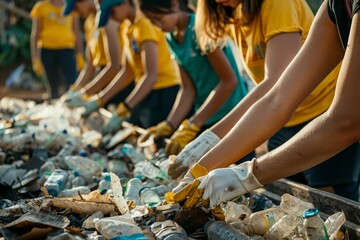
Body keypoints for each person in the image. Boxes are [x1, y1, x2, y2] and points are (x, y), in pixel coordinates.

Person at [166, 0, 360, 203]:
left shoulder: (279, 4)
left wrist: (248, 175)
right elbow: (276, 100)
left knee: (331, 203)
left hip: (321, 115)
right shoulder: (334, 6)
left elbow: (346, 120)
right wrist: (201, 168)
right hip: (288, 123)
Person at [137, 0, 248, 156]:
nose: (158, 26)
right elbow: (187, 89)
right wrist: (170, 124)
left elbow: (229, 82)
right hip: (206, 116)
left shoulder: (199, 27)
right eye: (152, 22)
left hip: (231, 116)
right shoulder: (171, 37)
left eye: (159, 18)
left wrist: (194, 123)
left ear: (174, 4)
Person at [93, 0, 180, 133]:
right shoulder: (127, 27)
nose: (111, 17)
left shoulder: (145, 24)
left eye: (112, 12)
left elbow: (151, 76)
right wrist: (100, 99)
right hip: (144, 91)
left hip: (163, 92)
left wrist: (127, 107)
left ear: (124, 3)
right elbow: (127, 71)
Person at [61, 0, 134, 110]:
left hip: (118, 82)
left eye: (76, 7)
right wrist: (76, 89)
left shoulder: (110, 21)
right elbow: (90, 64)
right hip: (102, 78)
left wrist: (85, 93)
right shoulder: (89, 23)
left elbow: (115, 66)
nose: (76, 12)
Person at [30, 0, 84, 99]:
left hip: (67, 49)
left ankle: (70, 104)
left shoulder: (71, 7)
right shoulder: (41, 7)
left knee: (71, 82)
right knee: (52, 84)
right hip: (47, 49)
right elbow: (35, 34)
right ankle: (54, 107)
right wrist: (35, 58)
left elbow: (77, 32)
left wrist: (79, 54)